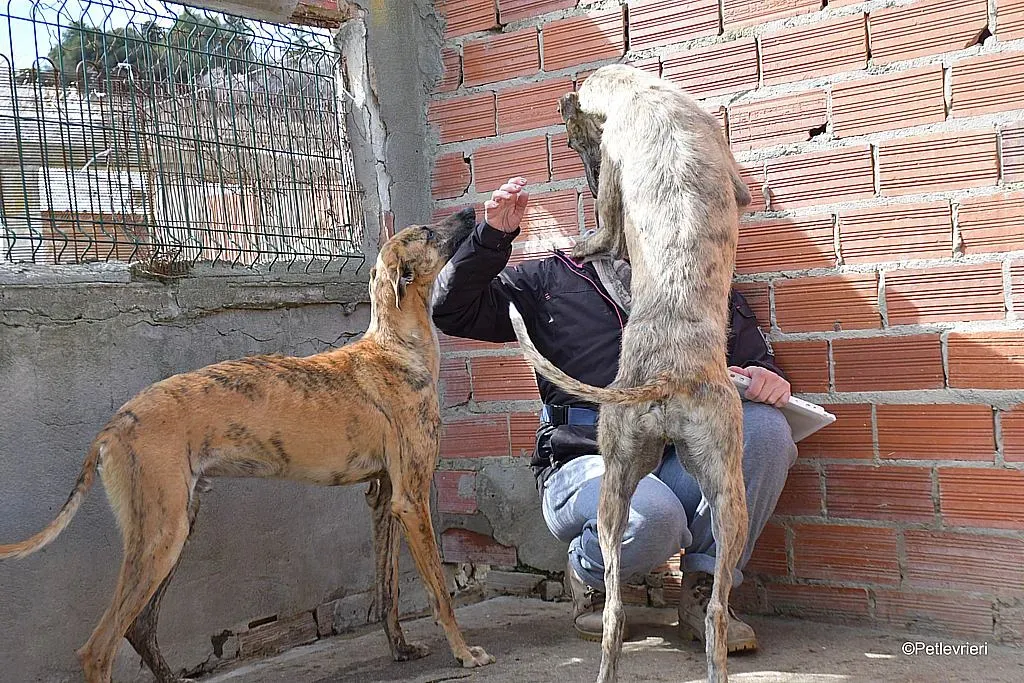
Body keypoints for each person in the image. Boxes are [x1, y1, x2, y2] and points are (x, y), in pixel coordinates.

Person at [432, 177, 797, 653]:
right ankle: (589, 571)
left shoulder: (700, 282)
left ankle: (708, 590)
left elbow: (758, 361)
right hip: (586, 459)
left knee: (767, 430)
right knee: (653, 518)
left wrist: (765, 376)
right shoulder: (552, 279)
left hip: (674, 458)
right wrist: (492, 237)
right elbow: (452, 311)